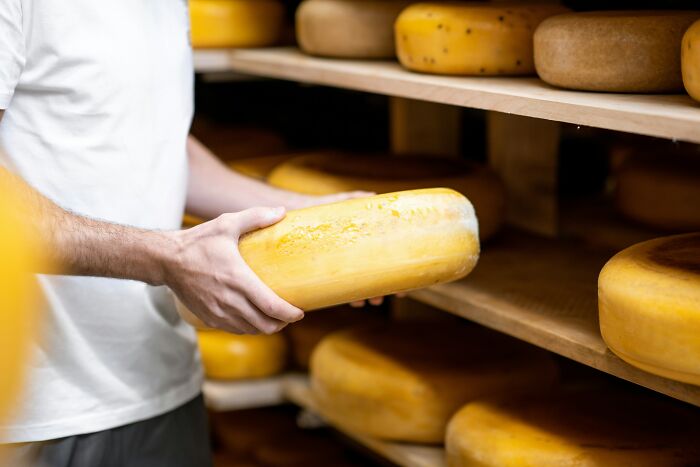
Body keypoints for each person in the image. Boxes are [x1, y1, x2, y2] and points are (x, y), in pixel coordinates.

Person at [0, 2, 376, 465]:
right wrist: (166, 258)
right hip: (40, 413)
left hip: (162, 379)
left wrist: (303, 212)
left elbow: (147, 136)